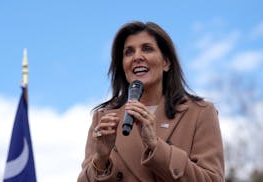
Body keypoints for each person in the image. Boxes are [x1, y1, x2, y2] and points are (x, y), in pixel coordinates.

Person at [78, 21, 224, 181]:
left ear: (166, 62)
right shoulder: (103, 119)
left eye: (147, 49)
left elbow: (212, 179)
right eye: (128, 52)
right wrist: (101, 160)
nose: (137, 57)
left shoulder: (200, 113)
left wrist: (156, 146)